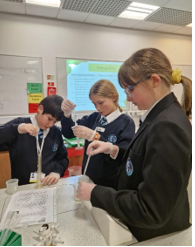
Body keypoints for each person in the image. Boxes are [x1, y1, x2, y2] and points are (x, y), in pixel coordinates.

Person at [76, 48, 192, 242]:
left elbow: (151, 209)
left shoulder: (167, 126)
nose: (127, 98)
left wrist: (95, 193)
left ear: (154, 81)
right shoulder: (157, 117)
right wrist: (113, 149)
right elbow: (144, 160)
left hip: (157, 236)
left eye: (130, 89)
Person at [61, 79, 135, 188]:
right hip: (89, 178)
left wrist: (95, 137)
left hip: (110, 183)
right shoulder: (94, 118)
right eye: (94, 104)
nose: (97, 108)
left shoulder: (125, 122)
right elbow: (69, 133)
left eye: (100, 103)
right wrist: (67, 115)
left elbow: (124, 154)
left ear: (113, 97)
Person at [0, 95, 69, 186]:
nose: (51, 124)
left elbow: (63, 159)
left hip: (48, 185)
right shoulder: (19, 125)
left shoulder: (55, 132)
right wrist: (16, 129)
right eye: (49, 119)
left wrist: (56, 172)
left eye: (55, 122)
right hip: (23, 186)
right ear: (40, 109)